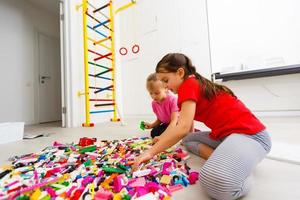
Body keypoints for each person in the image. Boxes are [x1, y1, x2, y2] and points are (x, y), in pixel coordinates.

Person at [133, 53, 271, 200]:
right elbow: (182, 127)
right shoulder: (191, 84)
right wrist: (161, 140)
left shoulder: (188, 84)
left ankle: (240, 169)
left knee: (214, 183)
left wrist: (150, 152)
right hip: (227, 136)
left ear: (180, 73)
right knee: (188, 140)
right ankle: (227, 159)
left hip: (252, 136)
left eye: (166, 80)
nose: (165, 86)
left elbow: (182, 127)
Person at [143, 73, 179, 138]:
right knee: (154, 132)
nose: (153, 96)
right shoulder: (154, 103)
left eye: (157, 93)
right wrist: (151, 125)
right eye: (151, 93)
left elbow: (174, 121)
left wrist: (162, 137)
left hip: (177, 124)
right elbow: (160, 119)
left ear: (166, 88)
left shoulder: (173, 100)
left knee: (164, 134)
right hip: (167, 124)